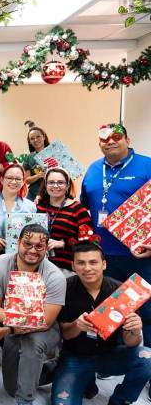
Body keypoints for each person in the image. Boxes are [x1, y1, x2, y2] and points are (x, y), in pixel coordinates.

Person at [51, 231, 151, 405]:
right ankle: (84, 379)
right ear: (73, 266)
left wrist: (135, 330)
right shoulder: (64, 288)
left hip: (109, 354)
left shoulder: (123, 291)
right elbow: (65, 334)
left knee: (147, 357)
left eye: (93, 262)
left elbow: (132, 343)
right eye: (81, 263)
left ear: (104, 264)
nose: (87, 268)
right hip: (76, 356)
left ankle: (120, 401)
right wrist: (76, 325)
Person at [0, 224, 66, 405]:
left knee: (32, 343)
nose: (32, 250)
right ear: (17, 243)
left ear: (47, 248)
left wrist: (9, 328)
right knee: (11, 387)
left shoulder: (55, 276)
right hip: (12, 324)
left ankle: (25, 401)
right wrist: (13, 326)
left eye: (39, 246)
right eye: (27, 244)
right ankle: (59, 369)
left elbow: (46, 320)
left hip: (45, 327)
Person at [81, 123, 151, 350]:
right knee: (108, 309)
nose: (110, 141)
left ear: (128, 140)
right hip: (101, 257)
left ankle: (147, 362)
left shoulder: (146, 166)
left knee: (146, 309)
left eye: (117, 136)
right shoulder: (92, 169)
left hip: (140, 255)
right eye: (104, 138)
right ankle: (110, 357)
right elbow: (83, 210)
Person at [36, 167, 93, 275]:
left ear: (67, 186)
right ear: (46, 185)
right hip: (38, 265)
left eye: (60, 182)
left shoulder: (78, 209)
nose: (55, 186)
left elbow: (89, 239)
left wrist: (63, 243)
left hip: (65, 269)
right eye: (51, 182)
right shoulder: (39, 206)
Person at [0, 163, 36, 261]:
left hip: (19, 257)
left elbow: (33, 234)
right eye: (9, 178)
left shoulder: (30, 206)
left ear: (23, 182)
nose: (14, 182)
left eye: (18, 179)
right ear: (2, 180)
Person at [23, 124, 50, 201]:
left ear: (44, 137)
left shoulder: (54, 153)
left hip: (53, 194)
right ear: (30, 142)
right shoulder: (29, 158)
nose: (35, 140)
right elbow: (26, 180)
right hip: (33, 196)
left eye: (38, 136)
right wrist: (39, 175)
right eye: (32, 138)